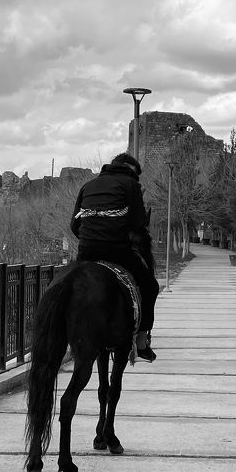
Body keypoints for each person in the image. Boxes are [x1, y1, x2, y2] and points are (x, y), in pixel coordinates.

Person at [70, 152, 160, 362]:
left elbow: (75, 225)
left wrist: (89, 239)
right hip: (117, 251)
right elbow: (138, 223)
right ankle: (141, 341)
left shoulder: (88, 185)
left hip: (86, 252)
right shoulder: (131, 185)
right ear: (132, 170)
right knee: (150, 286)